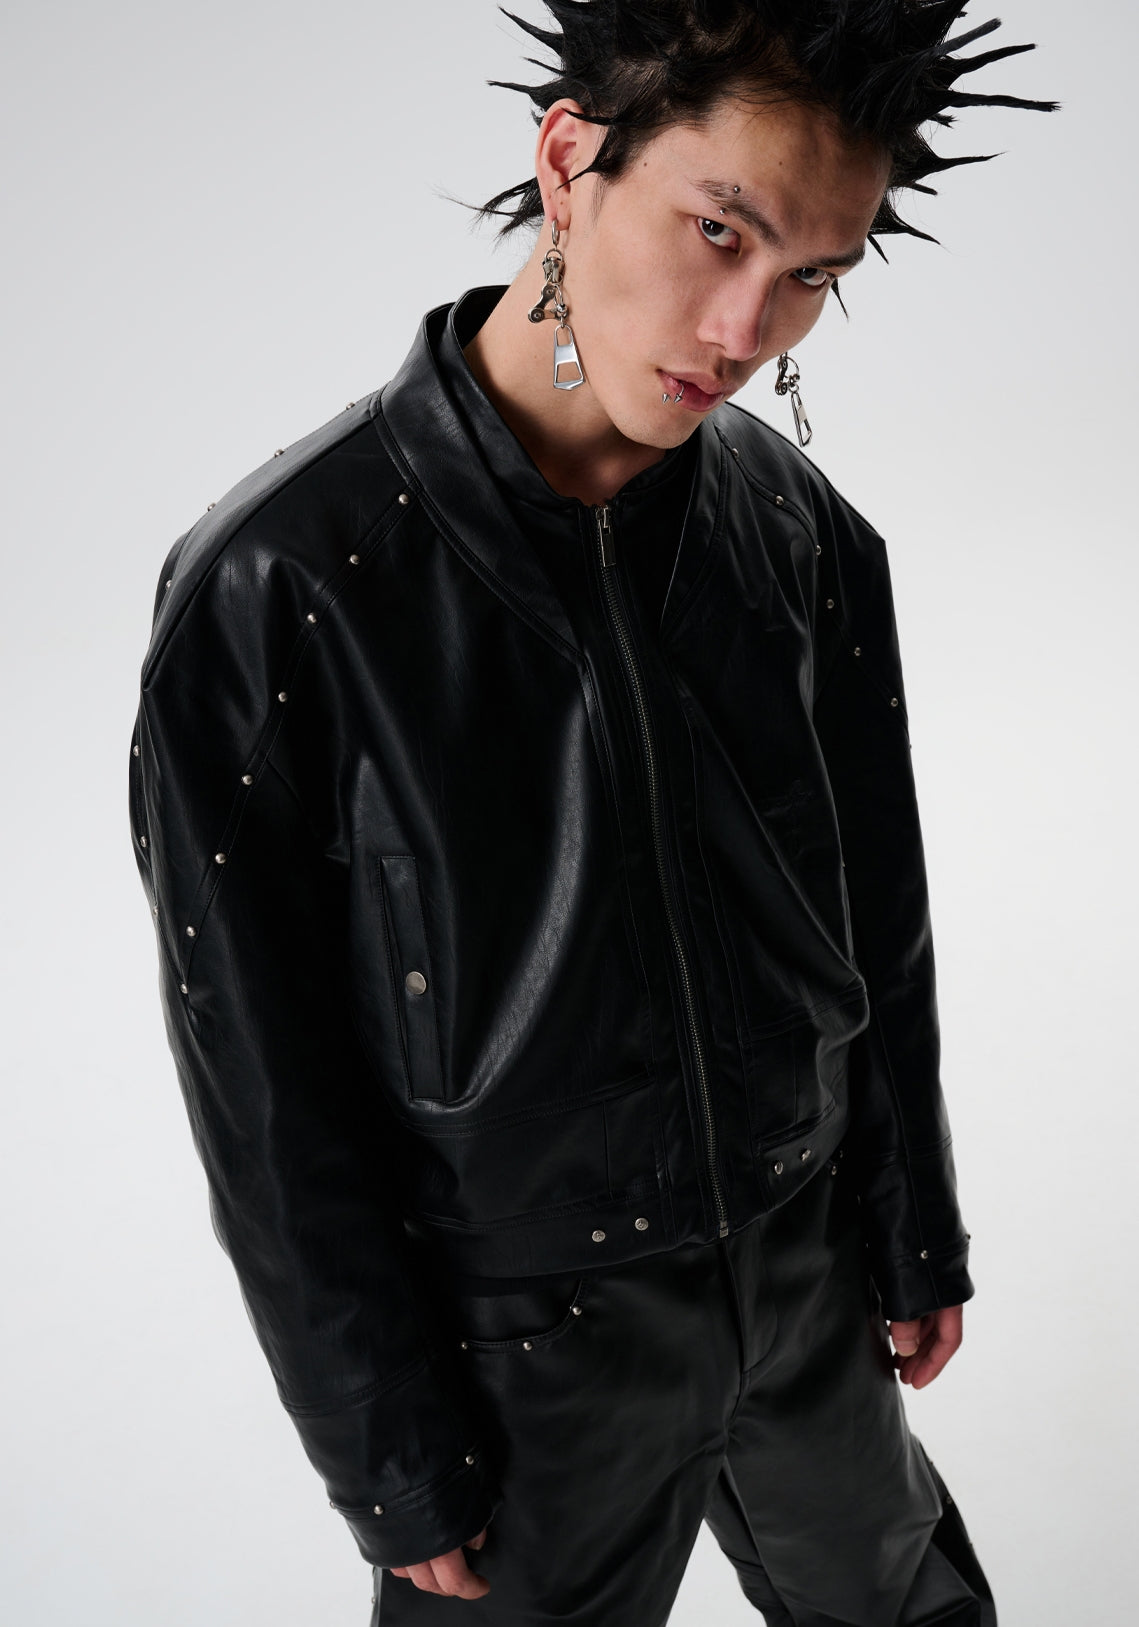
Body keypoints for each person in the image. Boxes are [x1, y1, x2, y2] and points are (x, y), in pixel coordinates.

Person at [128, 3, 1055, 1622]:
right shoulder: (284, 590)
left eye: (814, 275)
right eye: (720, 231)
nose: (747, 327)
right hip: (530, 1346)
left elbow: (875, 908)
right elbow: (265, 1089)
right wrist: (385, 1444)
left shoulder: (797, 530)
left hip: (803, 1271)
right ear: (569, 160)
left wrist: (910, 1217)